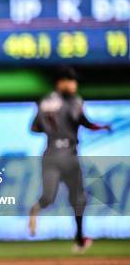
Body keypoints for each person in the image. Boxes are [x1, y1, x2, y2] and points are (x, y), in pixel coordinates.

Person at [28, 67, 111, 254]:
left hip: (49, 154)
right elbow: (81, 120)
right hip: (69, 155)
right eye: (71, 80)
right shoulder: (74, 101)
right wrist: (102, 127)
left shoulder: (44, 102)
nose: (74, 84)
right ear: (61, 83)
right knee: (79, 198)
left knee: (48, 198)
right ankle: (80, 238)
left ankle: (37, 208)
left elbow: (34, 128)